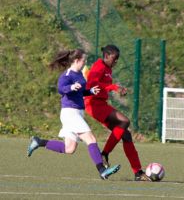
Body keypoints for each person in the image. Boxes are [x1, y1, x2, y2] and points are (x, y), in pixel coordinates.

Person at [27, 49, 121, 180]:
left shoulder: (80, 76)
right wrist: (71, 87)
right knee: (91, 139)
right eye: (84, 60)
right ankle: (102, 170)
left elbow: (80, 92)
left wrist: (90, 91)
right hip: (70, 113)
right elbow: (61, 89)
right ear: (76, 61)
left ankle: (39, 142)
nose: (85, 62)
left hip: (77, 113)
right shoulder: (67, 75)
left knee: (69, 148)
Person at [84, 44, 151, 181]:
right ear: (106, 56)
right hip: (93, 105)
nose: (116, 62)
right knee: (125, 121)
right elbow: (91, 85)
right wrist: (114, 87)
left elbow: (103, 86)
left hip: (101, 104)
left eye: (117, 59)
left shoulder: (108, 68)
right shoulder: (99, 66)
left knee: (126, 135)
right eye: (114, 59)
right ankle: (105, 153)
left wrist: (115, 88)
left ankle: (138, 172)